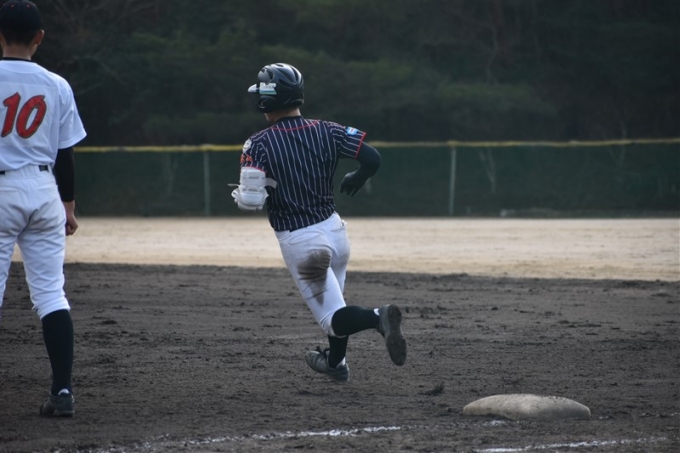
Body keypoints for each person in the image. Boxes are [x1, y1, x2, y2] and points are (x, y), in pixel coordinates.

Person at [232, 62, 406, 382]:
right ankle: (336, 364)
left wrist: (244, 195)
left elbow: (252, 201)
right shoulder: (328, 129)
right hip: (335, 232)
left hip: (302, 241)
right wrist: (356, 177)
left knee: (332, 319)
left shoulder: (258, 142)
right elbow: (372, 158)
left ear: (266, 100)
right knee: (337, 305)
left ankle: (378, 318)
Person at [0, 0, 86, 416]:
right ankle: (62, 392)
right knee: (51, 293)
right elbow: (65, 154)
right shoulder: (57, 84)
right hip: (44, 188)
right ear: (39, 37)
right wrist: (67, 207)